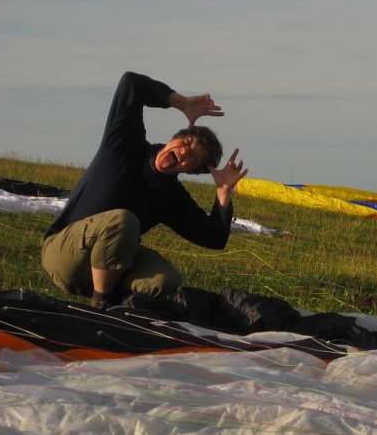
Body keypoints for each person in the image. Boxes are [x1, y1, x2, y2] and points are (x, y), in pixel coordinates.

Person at [41, 71, 248, 309]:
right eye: (187, 143)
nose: (184, 152)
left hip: (101, 269)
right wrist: (182, 103)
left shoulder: (170, 195)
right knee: (123, 220)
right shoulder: (124, 143)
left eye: (192, 157)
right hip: (62, 255)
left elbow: (213, 238)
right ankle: (101, 304)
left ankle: (116, 302)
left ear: (191, 171)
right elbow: (131, 84)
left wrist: (223, 193)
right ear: (175, 138)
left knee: (165, 280)